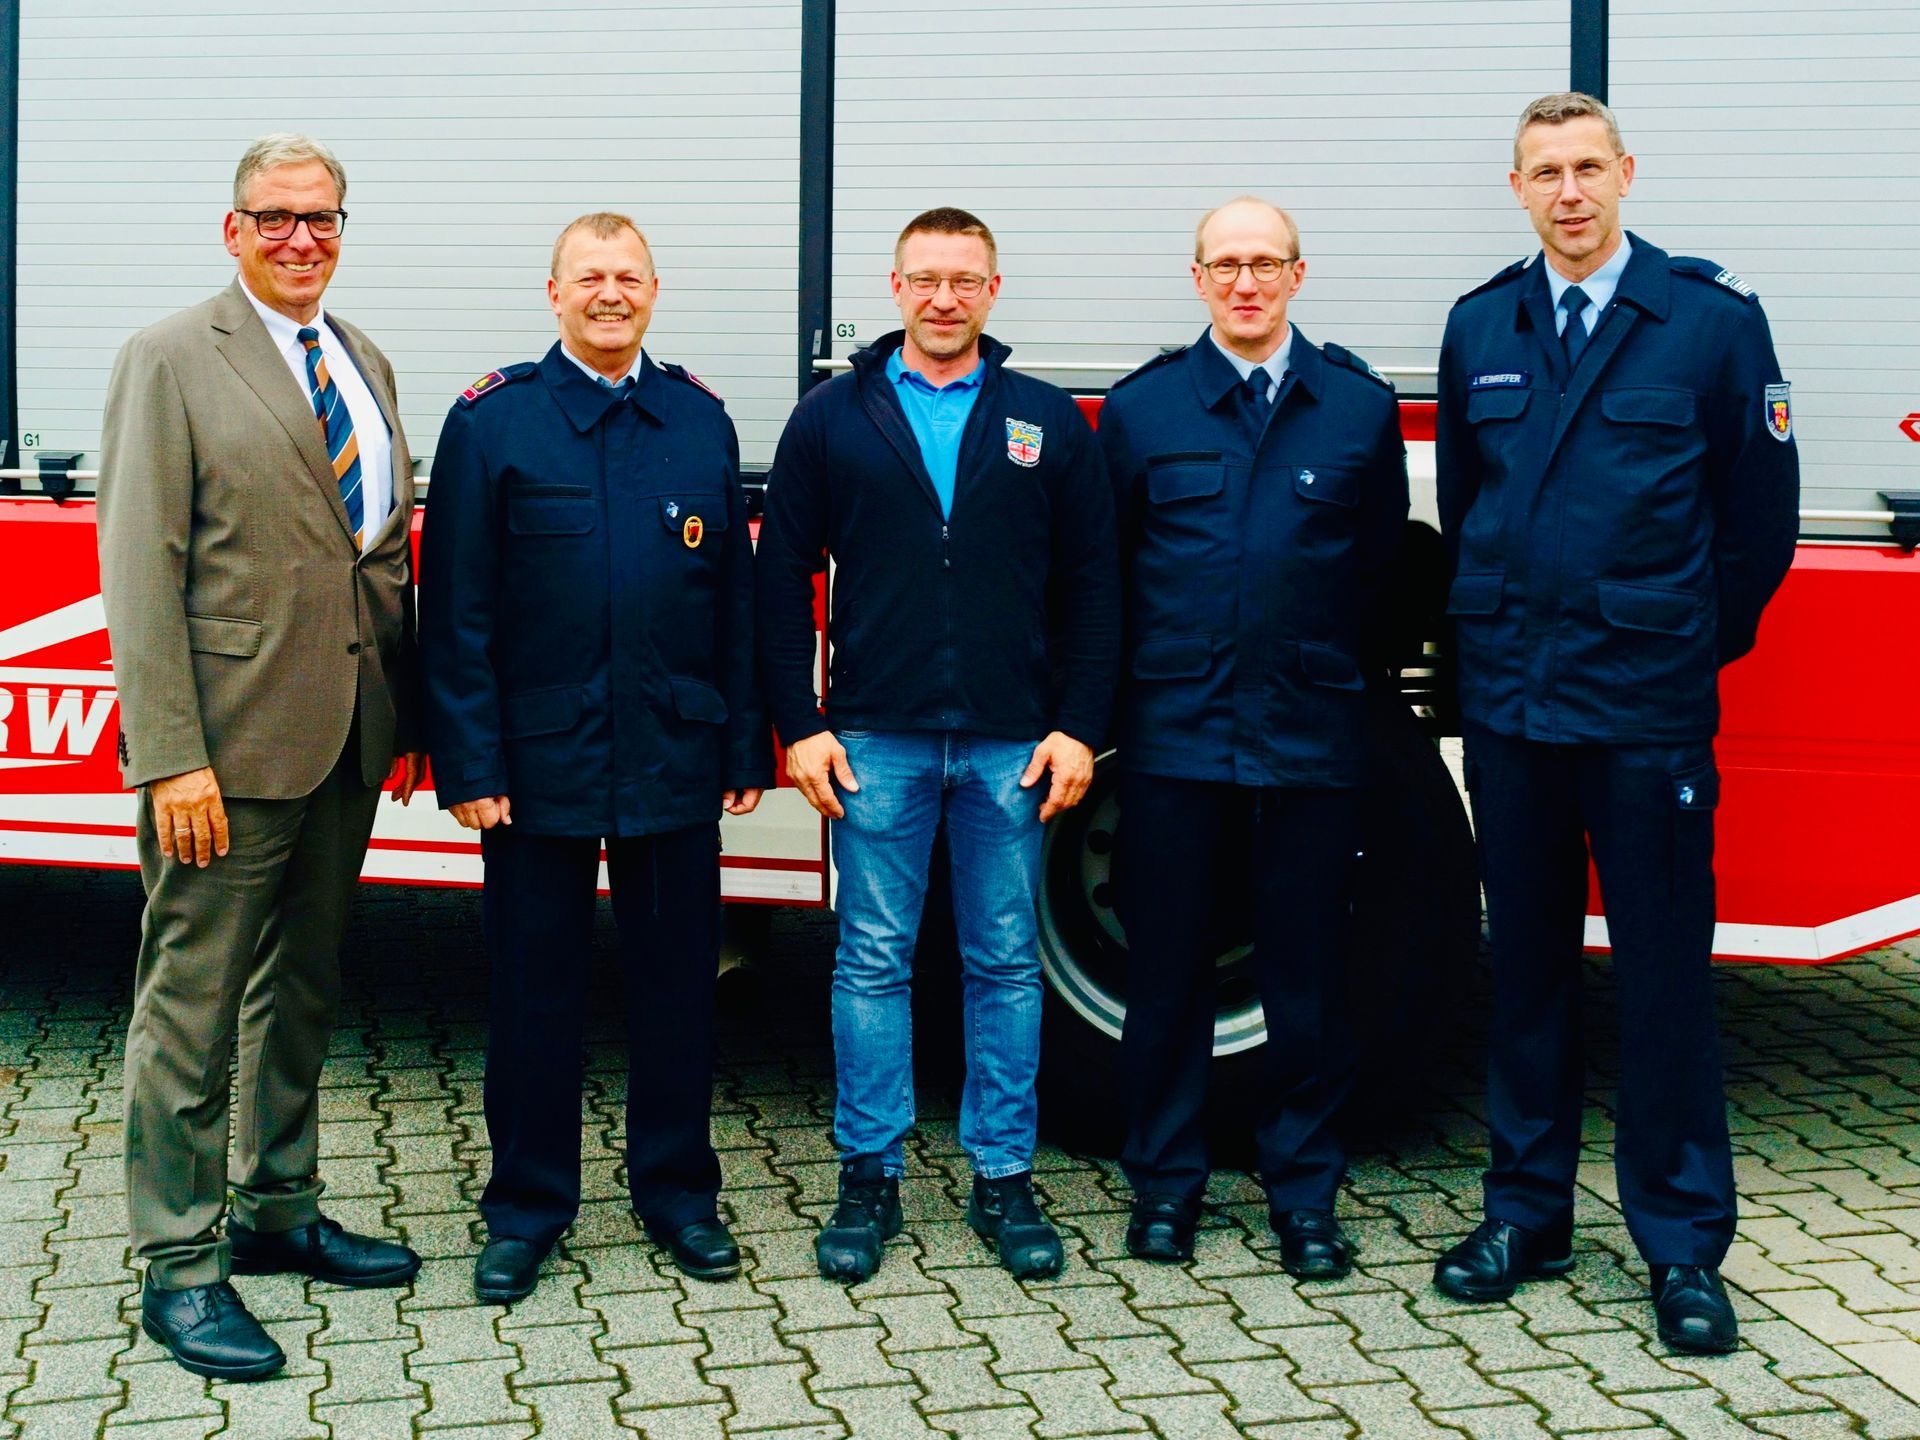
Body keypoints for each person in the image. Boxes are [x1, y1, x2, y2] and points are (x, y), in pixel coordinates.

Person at [1432, 93, 1799, 1353]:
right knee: (1527, 971)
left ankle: (1684, 1245)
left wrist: (1681, 645)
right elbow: (1471, 504)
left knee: (1661, 977)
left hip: (1646, 708)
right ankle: (1525, 1214)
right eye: (1546, 172)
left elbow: (1759, 524)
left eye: (1589, 167)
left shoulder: (1710, 321)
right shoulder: (1482, 322)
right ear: (1518, 188)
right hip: (1515, 708)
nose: (1570, 192)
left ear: (1627, 174)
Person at [97, 133, 425, 1381]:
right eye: (276, 217)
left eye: (322, 218)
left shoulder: (363, 356)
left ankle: (278, 1208)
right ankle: (179, 1264)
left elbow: (375, 554)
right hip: (225, 752)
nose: (301, 238)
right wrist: (170, 755)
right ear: (232, 229)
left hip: (344, 737)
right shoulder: (172, 357)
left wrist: (406, 715)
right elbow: (141, 565)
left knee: (303, 988)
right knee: (191, 1008)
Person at [756, 207, 1120, 1283]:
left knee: (1004, 961)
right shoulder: (833, 417)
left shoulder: (1046, 419)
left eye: (965, 280)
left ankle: (1003, 1177)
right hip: (877, 741)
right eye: (926, 279)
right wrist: (801, 724)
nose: (944, 298)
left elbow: (1095, 585)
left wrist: (1079, 727)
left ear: (992, 290)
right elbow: (778, 580)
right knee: (873, 960)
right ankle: (868, 1175)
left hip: (1011, 745)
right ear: (896, 288)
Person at [419, 212, 770, 1303]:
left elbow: (735, 602)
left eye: (628, 276)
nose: (609, 293)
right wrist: (470, 765)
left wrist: (742, 741)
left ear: (654, 292)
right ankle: (527, 1209)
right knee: (535, 997)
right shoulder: (494, 422)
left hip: (673, 752)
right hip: (539, 767)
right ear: (554, 292)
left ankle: (679, 1196)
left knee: (679, 992)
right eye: (589, 277)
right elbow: (456, 609)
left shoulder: (699, 420)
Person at [1098, 198, 1408, 1274]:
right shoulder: (1141, 411)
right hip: (1176, 740)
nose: (1245, 282)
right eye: (1226, 264)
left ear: (1297, 275)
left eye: (1265, 263)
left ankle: (1305, 1194)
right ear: (1197, 279)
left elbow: (1378, 574)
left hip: (1309, 740)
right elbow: (1108, 578)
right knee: (1167, 977)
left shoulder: (1358, 409)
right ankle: (1165, 1186)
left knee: (1307, 982)